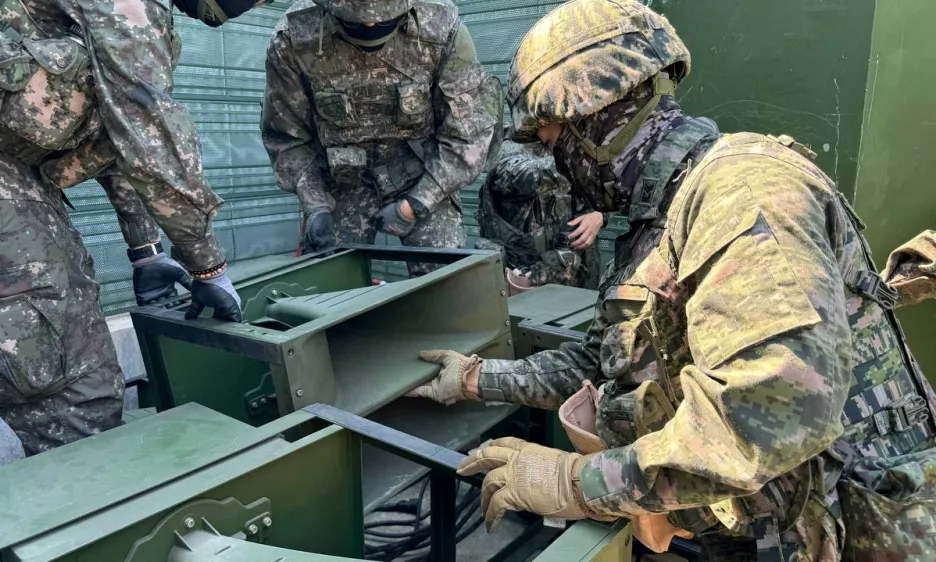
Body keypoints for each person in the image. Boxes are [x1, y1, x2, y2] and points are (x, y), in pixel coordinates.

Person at [406, 1, 936, 559]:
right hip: (769, 525)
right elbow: (598, 363)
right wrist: (473, 378)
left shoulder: (743, 192)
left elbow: (773, 416)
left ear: (596, 121)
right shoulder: (657, 222)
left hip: (854, 532)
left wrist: (578, 484)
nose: (553, 159)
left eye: (551, 135)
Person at [0, 0, 260, 455]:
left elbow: (114, 132)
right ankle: (87, 508)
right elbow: (152, 141)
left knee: (74, 375)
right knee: (70, 392)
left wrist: (145, 249)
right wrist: (207, 264)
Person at [261, 0, 500, 277]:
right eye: (355, 17)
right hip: (341, 184)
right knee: (330, 282)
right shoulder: (294, 36)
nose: (371, 24)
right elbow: (287, 138)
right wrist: (315, 205)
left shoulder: (440, 25)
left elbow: (467, 134)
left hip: (424, 175)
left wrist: (418, 203)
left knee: (445, 283)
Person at [475, 133, 604, 292]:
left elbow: (607, 193)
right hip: (525, 280)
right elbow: (523, 175)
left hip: (575, 273)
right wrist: (586, 161)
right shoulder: (510, 147)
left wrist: (600, 214)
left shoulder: (575, 141)